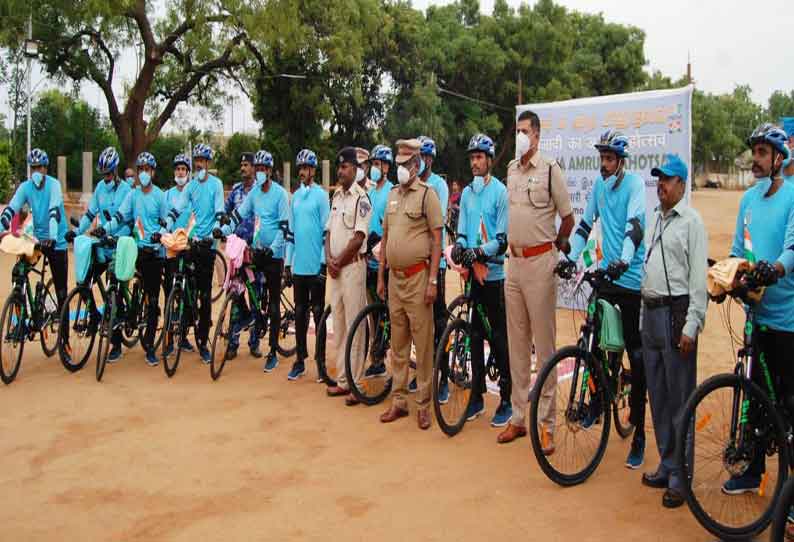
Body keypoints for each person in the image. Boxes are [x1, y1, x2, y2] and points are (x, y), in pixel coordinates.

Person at [564, 129, 648, 469]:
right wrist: (569, 256)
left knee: (635, 352)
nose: (603, 165)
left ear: (621, 162)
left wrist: (625, 259)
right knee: (596, 342)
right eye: (601, 158)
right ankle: (598, 401)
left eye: (609, 159)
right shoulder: (599, 186)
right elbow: (584, 226)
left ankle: (639, 433)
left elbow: (634, 228)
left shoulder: (635, 186)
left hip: (628, 278)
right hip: (605, 275)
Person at [722, 123, 794, 495]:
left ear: (779, 158)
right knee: (755, 393)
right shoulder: (748, 199)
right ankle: (752, 471)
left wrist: (775, 268)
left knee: (789, 405)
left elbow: (792, 248)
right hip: (755, 313)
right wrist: (728, 277)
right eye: (756, 153)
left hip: (787, 318)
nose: (756, 160)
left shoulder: (793, 196)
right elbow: (738, 248)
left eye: (763, 153)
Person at [500, 110, 574, 447]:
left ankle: (547, 425)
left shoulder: (549, 170)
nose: (520, 136)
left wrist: (555, 247)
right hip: (513, 265)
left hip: (540, 264)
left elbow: (568, 218)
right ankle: (518, 417)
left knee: (544, 348)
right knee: (517, 346)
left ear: (538, 136)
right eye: (517, 130)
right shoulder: (511, 170)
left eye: (525, 131)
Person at [638, 153, 707, 508]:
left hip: (676, 314)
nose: (661, 185)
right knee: (659, 397)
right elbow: (648, 268)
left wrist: (692, 325)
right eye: (658, 179)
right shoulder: (656, 219)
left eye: (667, 179)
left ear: (681, 183)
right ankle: (666, 464)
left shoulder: (691, 222)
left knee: (681, 399)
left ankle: (682, 476)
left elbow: (698, 282)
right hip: (650, 313)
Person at [378, 139, 443, 429]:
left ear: (417, 165)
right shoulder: (392, 194)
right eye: (398, 165)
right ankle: (399, 401)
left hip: (419, 278)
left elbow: (437, 239)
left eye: (406, 165)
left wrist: (432, 280)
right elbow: (386, 236)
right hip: (395, 279)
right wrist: (381, 275)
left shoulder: (427, 195)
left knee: (423, 342)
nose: (401, 169)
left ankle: (424, 405)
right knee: (398, 342)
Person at [450, 133, 512, 427]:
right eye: (472, 157)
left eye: (479, 157)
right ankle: (476, 397)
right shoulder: (466, 194)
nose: (475, 162)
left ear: (489, 160)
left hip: (494, 275)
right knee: (475, 336)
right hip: (473, 274)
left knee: (498, 338)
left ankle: (507, 400)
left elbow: (502, 241)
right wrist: (462, 246)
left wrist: (477, 251)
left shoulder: (500, 192)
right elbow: (462, 230)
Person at [224, 152, 289, 372]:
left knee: (271, 304)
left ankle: (272, 351)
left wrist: (272, 250)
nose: (260, 172)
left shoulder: (280, 194)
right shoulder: (253, 194)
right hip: (256, 250)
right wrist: (222, 230)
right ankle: (246, 314)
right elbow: (238, 215)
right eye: (258, 168)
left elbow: (284, 227)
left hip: (273, 255)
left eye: (263, 169)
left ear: (270, 171)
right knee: (238, 278)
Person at [66, 146, 132, 362]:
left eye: (109, 174)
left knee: (114, 291)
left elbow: (122, 218)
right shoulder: (100, 189)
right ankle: (94, 316)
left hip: (119, 244)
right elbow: (90, 214)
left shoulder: (126, 191)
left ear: (116, 171)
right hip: (102, 245)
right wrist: (76, 232)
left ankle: (116, 344)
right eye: (103, 174)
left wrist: (108, 229)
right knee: (85, 280)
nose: (106, 178)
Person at [105, 151, 169, 366]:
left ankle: (150, 347)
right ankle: (115, 344)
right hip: (134, 249)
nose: (143, 173)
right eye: (140, 169)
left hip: (154, 252)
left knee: (152, 301)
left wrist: (160, 235)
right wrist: (104, 229)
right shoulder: (132, 195)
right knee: (115, 288)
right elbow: (121, 216)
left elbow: (167, 222)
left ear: (153, 172)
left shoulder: (160, 196)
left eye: (146, 170)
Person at [166, 143, 225, 364]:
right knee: (182, 284)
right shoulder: (190, 187)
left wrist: (216, 231)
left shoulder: (216, 184)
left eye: (203, 160)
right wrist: (167, 223)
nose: (199, 163)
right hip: (190, 242)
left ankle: (202, 342)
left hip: (207, 245)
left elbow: (219, 210)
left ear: (208, 164)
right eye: (197, 160)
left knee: (203, 295)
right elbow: (179, 207)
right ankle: (182, 326)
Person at [324, 147, 372, 405]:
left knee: (356, 325)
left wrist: (338, 261)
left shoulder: (361, 198)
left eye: (344, 167)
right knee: (340, 324)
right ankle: (343, 381)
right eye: (338, 167)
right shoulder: (337, 197)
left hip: (352, 268)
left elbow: (359, 237)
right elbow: (329, 231)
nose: (340, 171)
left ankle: (356, 382)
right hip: (336, 270)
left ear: (355, 169)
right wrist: (329, 259)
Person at [0, 148, 68, 313]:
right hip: (37, 239)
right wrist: (1, 227)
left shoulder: (54, 185)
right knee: (18, 272)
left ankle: (64, 338)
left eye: (39, 167)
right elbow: (11, 209)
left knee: (61, 291)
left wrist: (52, 237)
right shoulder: (26, 187)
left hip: (56, 239)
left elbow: (54, 213)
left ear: (45, 168)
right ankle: (21, 319)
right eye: (33, 168)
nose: (36, 171)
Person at [284, 149, 329, 380]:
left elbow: (326, 232)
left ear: (313, 170)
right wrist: (287, 264)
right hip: (299, 266)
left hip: (316, 266)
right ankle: (300, 360)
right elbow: (290, 233)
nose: (302, 172)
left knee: (318, 313)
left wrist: (323, 265)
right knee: (299, 313)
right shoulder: (294, 197)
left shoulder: (321, 196)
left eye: (305, 168)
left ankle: (321, 362)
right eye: (299, 168)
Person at [413, 135, 449, 401]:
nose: (420, 162)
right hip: (415, 265)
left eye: (424, 157)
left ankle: (444, 377)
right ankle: (423, 374)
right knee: (419, 324)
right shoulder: (411, 185)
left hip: (435, 264)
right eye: (418, 157)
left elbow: (434, 224)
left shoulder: (439, 186)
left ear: (431, 159)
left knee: (439, 322)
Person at [222, 152, 263, 360]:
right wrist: (222, 223)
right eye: (242, 164)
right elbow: (225, 211)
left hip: (254, 251)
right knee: (235, 293)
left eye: (247, 165)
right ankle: (232, 342)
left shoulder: (260, 191)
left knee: (257, 294)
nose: (243, 168)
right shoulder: (236, 191)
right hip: (237, 251)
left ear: (255, 168)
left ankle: (255, 342)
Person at [362, 144, 393, 379]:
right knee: (373, 312)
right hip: (368, 261)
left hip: (386, 260)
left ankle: (381, 355)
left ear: (386, 167)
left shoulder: (392, 191)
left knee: (386, 312)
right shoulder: (370, 192)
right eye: (372, 163)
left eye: (378, 164)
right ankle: (377, 358)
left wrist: (381, 241)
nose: (374, 168)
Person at [162, 153, 195, 354]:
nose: (180, 172)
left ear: (188, 173)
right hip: (171, 247)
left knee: (189, 290)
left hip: (189, 246)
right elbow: (165, 218)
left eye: (183, 169)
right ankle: (168, 339)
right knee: (169, 292)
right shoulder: (167, 195)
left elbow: (195, 217)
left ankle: (183, 336)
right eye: (178, 169)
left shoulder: (192, 193)